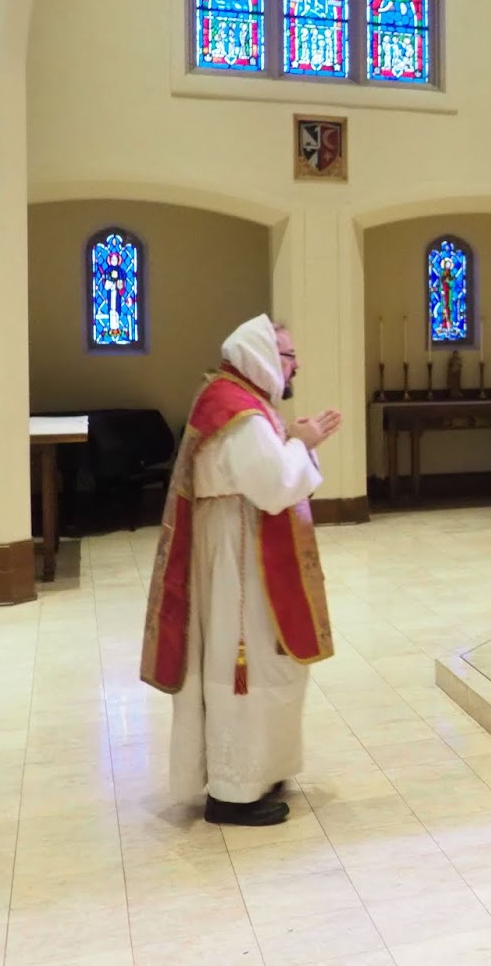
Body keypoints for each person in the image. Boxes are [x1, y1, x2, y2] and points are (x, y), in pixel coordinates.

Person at [141, 316, 341, 826]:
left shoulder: (239, 400)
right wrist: (302, 443)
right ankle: (233, 792)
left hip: (244, 546)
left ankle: (259, 772)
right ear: (264, 357)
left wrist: (294, 440)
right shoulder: (239, 412)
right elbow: (273, 488)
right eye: (289, 355)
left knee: (269, 667)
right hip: (239, 560)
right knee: (243, 671)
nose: (295, 365)